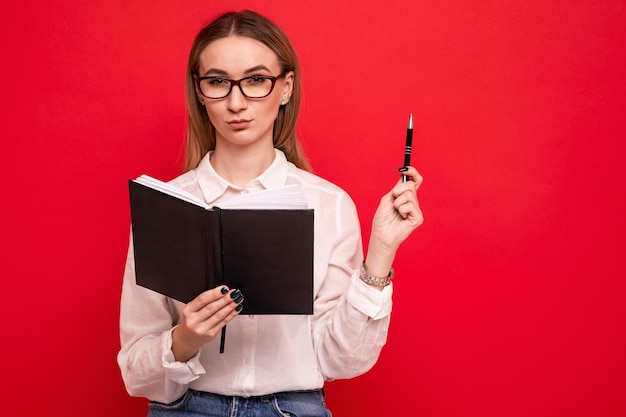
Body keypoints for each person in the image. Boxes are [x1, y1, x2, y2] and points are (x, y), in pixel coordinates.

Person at [117, 9, 423, 417]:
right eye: (218, 82)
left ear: (285, 87)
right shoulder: (166, 206)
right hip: (187, 407)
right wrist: (185, 339)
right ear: (200, 91)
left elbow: (341, 360)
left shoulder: (328, 204)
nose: (237, 101)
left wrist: (381, 254)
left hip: (294, 408)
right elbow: (136, 373)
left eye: (257, 80)